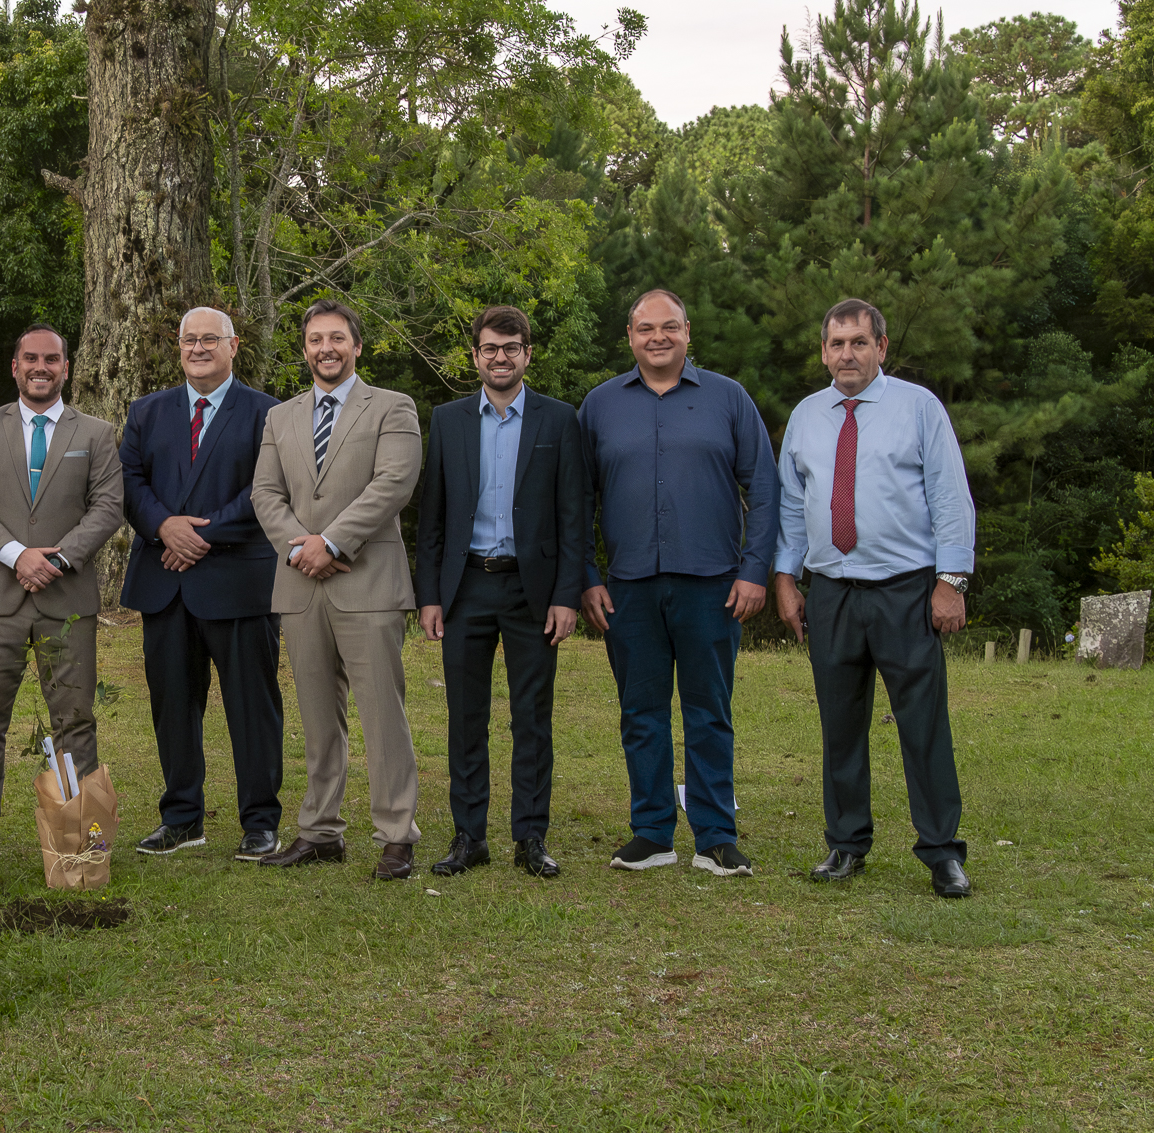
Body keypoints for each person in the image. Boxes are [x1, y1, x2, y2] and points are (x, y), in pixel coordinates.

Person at [774, 298, 975, 898]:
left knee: (923, 724)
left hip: (905, 590)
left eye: (859, 342)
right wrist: (786, 579)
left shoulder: (918, 409)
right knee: (840, 725)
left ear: (881, 348)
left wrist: (952, 581)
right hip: (831, 592)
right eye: (836, 344)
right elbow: (790, 505)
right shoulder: (806, 417)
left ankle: (942, 852)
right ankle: (845, 844)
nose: (847, 354)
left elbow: (949, 497)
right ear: (824, 351)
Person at [579, 289, 777, 878]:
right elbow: (575, 501)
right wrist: (586, 578)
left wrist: (753, 570)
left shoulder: (728, 399)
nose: (657, 337)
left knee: (708, 711)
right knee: (640, 711)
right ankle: (651, 832)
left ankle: (716, 834)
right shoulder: (600, 406)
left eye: (669, 327)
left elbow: (764, 491)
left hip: (712, 584)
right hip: (628, 587)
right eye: (645, 329)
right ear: (631, 337)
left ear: (688, 331)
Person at [250, 298, 424, 880]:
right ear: (304, 350)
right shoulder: (281, 417)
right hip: (300, 585)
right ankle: (320, 831)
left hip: (367, 581)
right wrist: (302, 545)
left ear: (356, 345)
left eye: (337, 338)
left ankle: (397, 833)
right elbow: (265, 495)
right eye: (315, 340)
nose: (326, 348)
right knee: (318, 718)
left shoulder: (392, 408)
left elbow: (394, 482)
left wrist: (335, 541)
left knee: (382, 715)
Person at [415, 306, 588, 879]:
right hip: (465, 589)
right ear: (475, 356)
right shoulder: (449, 420)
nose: (500, 357)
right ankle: (469, 837)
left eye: (511, 347)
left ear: (527, 354)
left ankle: (530, 838)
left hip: (531, 591)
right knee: (465, 717)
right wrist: (430, 595)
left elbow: (573, 516)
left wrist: (568, 594)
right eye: (490, 348)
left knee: (531, 719)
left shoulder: (559, 421)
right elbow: (432, 516)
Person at [0, 323, 124, 856]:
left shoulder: (95, 433)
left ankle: (81, 834)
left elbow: (108, 507)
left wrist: (60, 558)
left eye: (51, 359)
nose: (41, 367)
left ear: (66, 368)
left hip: (66, 599)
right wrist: (16, 554)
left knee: (74, 719)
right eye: (31, 359)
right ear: (15, 367)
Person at [120, 308, 285, 860]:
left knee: (251, 706)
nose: (197, 348)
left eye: (209, 339)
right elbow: (129, 480)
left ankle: (260, 820)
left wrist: (201, 535)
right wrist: (163, 526)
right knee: (173, 704)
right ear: (179, 346)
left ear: (233, 346)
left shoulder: (268, 413)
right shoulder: (146, 412)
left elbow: (268, 488)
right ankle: (182, 817)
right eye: (188, 339)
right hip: (164, 583)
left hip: (238, 581)